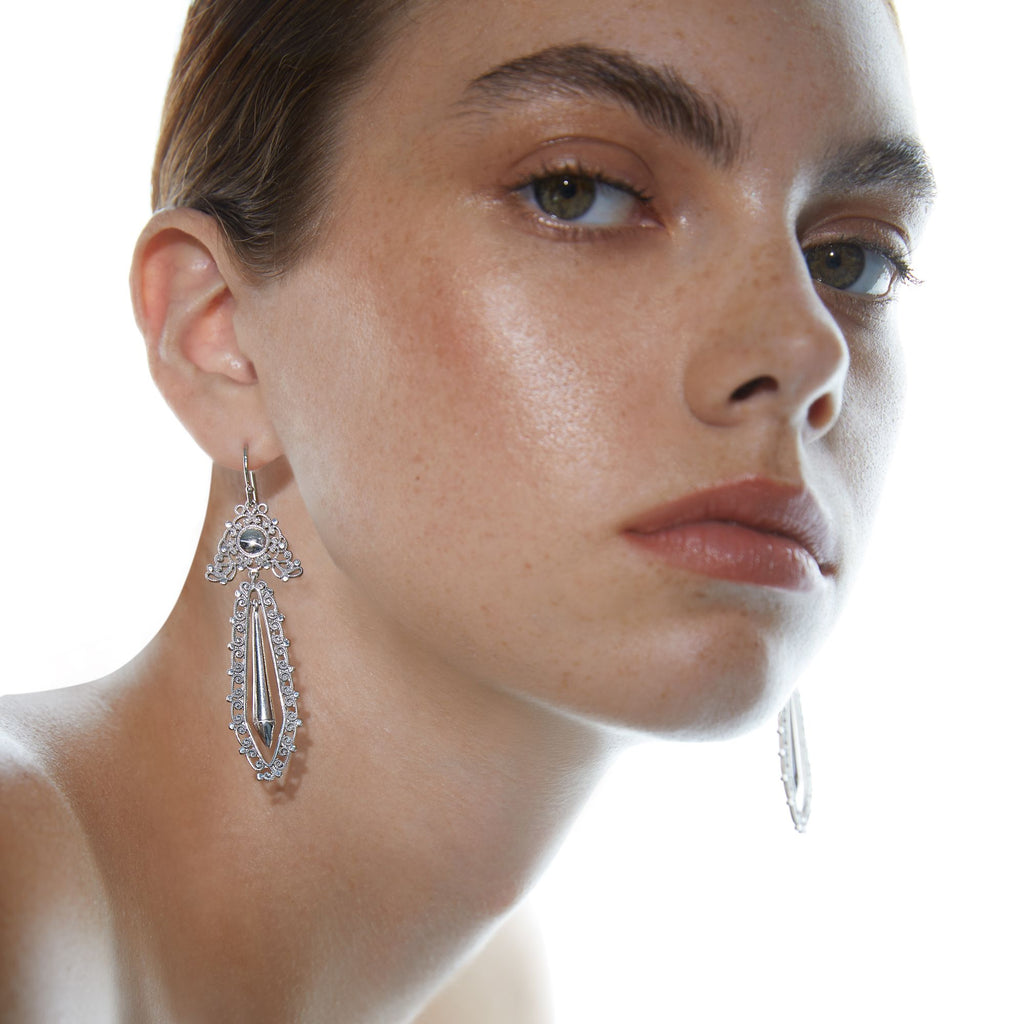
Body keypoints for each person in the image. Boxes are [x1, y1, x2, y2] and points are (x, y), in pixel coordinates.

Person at [0, 0, 934, 1020]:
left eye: (851, 258)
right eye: (579, 193)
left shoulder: (485, 996)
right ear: (217, 332)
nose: (805, 349)